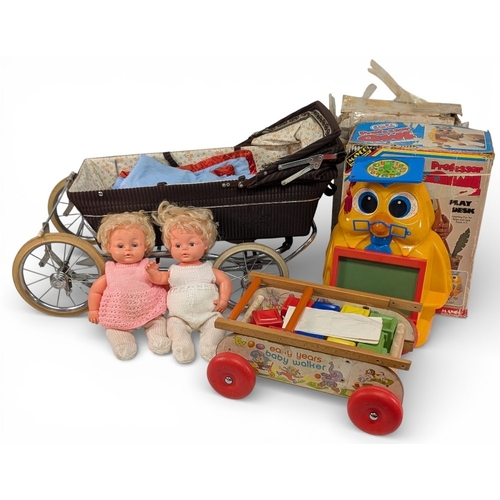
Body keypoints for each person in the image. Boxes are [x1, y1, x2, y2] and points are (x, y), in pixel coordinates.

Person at [146, 201, 232, 363]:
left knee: (217, 324)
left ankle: (210, 345)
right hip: (180, 316)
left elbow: (225, 281)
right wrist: (152, 273)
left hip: (208, 314)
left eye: (191, 244)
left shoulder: (208, 268)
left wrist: (223, 300)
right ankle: (181, 344)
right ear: (170, 247)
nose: (184, 249)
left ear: (205, 244)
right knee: (173, 325)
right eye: (177, 245)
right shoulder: (173, 270)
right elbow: (160, 279)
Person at [88, 211, 170, 360]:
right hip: (119, 312)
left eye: (134, 245)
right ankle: (122, 342)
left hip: (148, 309)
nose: (128, 249)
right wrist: (93, 310)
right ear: (109, 247)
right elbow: (96, 291)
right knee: (114, 329)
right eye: (120, 245)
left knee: (158, 321)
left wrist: (153, 273)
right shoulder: (111, 270)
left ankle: (158, 338)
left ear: (145, 246)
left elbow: (161, 281)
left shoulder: (146, 266)